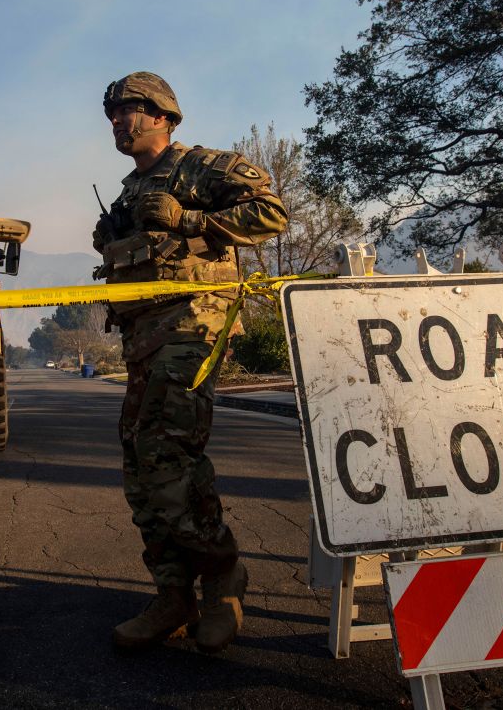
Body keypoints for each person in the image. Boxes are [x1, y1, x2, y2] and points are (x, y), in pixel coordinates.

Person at [93, 73, 289, 653]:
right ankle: (172, 593)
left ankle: (223, 580)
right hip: (140, 334)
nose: (119, 122)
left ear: (165, 116)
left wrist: (190, 220)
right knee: (138, 462)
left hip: (193, 324)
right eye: (113, 115)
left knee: (167, 453)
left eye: (131, 111)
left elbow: (271, 214)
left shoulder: (204, 167)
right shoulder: (130, 191)